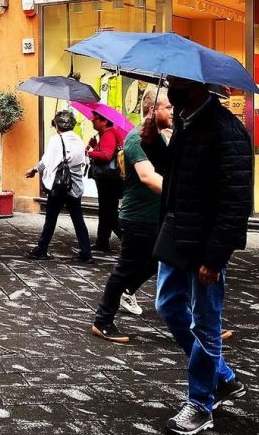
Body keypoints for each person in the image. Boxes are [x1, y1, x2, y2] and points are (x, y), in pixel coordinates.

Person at [155, 76, 253, 435]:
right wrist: (154, 139)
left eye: (181, 82)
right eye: (172, 81)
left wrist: (215, 257)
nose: (173, 87)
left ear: (202, 85)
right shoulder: (185, 121)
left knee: (206, 323)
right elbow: (180, 179)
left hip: (206, 244)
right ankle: (222, 376)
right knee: (167, 306)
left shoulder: (226, 130)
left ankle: (200, 404)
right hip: (177, 234)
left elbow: (235, 202)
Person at [92, 88, 173, 343]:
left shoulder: (159, 138)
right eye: (168, 108)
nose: (172, 112)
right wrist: (181, 195)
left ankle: (198, 324)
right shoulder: (135, 139)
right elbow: (149, 177)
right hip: (138, 217)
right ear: (153, 110)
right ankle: (102, 320)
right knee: (124, 269)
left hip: (156, 215)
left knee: (161, 260)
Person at [26, 109, 92, 262]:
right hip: (74, 186)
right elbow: (81, 161)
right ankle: (86, 252)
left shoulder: (56, 140)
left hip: (59, 186)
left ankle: (41, 249)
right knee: (78, 219)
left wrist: (35, 170)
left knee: (50, 219)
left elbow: (46, 161)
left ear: (57, 125)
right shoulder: (78, 140)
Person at [86, 111, 123, 252]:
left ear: (104, 121)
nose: (92, 121)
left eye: (95, 119)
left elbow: (106, 156)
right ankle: (102, 241)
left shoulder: (109, 134)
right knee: (106, 210)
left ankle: (127, 241)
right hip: (109, 178)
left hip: (108, 179)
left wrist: (89, 152)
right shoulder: (108, 134)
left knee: (109, 212)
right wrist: (95, 145)